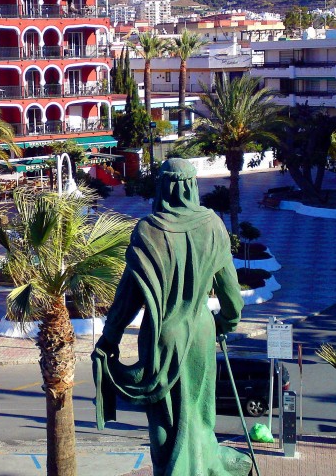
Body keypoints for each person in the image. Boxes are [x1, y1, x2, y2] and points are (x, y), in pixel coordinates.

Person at [93, 158, 250, 476]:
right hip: (200, 332)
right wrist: (226, 323)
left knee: (164, 417)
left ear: (162, 187)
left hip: (162, 337)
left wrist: (110, 337)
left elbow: (128, 297)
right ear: (192, 186)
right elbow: (231, 294)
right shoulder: (212, 225)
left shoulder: (147, 230)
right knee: (200, 412)